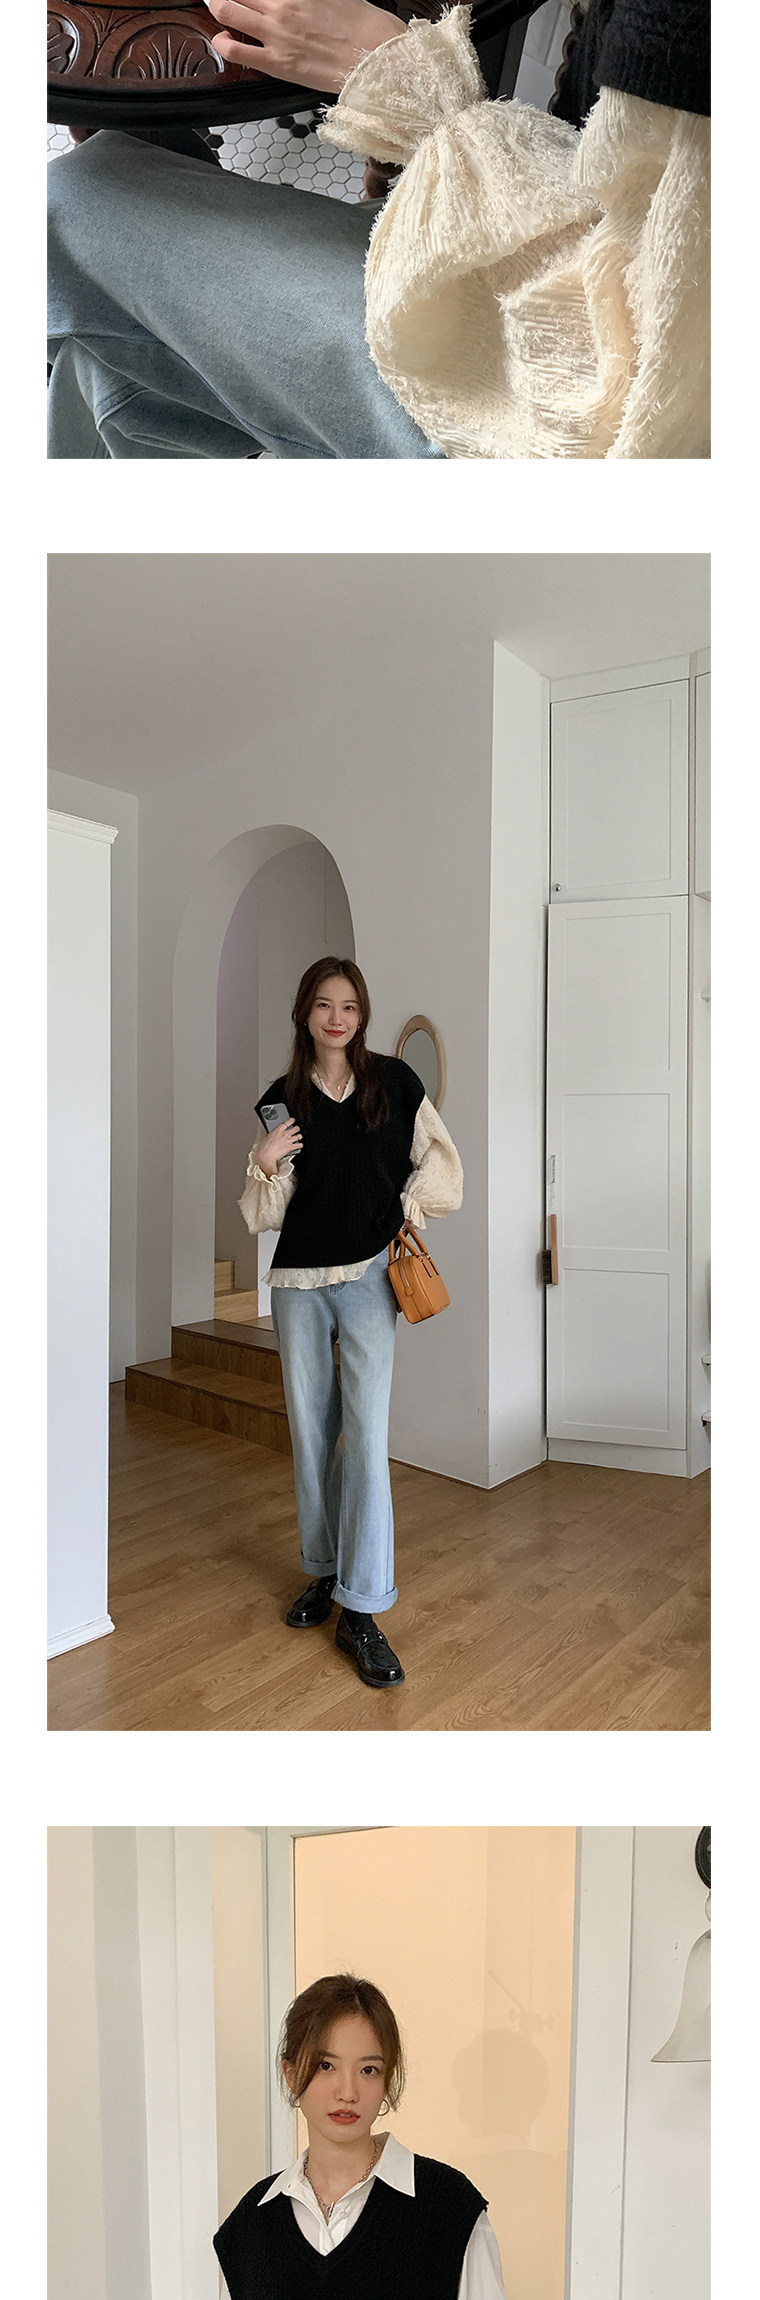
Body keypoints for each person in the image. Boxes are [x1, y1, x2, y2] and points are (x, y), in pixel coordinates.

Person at [47, 0, 710, 458]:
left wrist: (416, 88)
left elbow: (625, 385)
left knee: (79, 196)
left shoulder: (693, 38)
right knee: (104, 368)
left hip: (545, 421)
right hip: (581, 258)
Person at [238, 957, 462, 1688]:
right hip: (299, 1283)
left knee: (364, 1439)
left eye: (350, 1006)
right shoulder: (281, 1100)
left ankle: (361, 1608)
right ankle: (326, 1569)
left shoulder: (394, 1082)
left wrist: (408, 1206)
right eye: (324, 1005)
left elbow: (441, 1161)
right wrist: (264, 1162)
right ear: (304, 1013)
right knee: (312, 1435)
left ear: (362, 1015)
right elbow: (270, 1214)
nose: (337, 1018)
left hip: (370, 1277)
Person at [214, 1972, 507, 2297]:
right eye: (326, 2066)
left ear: (386, 2079)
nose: (348, 2092)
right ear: (291, 2074)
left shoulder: (449, 2210)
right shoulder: (250, 2227)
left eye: (369, 2070)